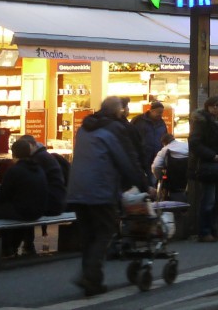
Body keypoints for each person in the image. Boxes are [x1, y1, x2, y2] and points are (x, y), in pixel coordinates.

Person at [66, 96, 151, 297]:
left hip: (77, 189)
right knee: (104, 232)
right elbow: (127, 161)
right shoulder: (115, 129)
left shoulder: (85, 127)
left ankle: (90, 277)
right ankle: (90, 277)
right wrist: (144, 185)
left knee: (88, 235)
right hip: (101, 189)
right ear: (118, 111)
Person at [0, 138, 47, 257]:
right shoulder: (38, 169)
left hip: (23, 211)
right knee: (5, 212)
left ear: (14, 153)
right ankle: (10, 247)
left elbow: (1, 195)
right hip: (38, 211)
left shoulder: (15, 170)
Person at [11, 135, 68, 256]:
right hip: (56, 200)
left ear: (31, 145)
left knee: (23, 210)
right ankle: (26, 245)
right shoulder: (43, 156)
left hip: (51, 203)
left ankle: (13, 247)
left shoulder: (38, 159)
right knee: (26, 207)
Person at [189, 96, 218, 242]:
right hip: (208, 165)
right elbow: (194, 142)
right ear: (207, 107)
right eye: (213, 106)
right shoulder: (202, 122)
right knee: (208, 200)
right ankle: (204, 231)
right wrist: (211, 155)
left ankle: (214, 229)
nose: (216, 109)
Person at [130, 101, 169, 176]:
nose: (160, 115)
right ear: (151, 111)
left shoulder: (162, 123)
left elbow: (165, 137)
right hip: (142, 156)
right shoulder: (138, 120)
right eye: (158, 112)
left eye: (161, 112)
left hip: (156, 157)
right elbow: (130, 135)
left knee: (154, 179)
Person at [152, 134, 189, 202]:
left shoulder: (164, 150)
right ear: (173, 138)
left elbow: (156, 166)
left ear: (163, 143)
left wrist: (160, 177)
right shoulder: (187, 145)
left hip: (172, 182)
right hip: (188, 180)